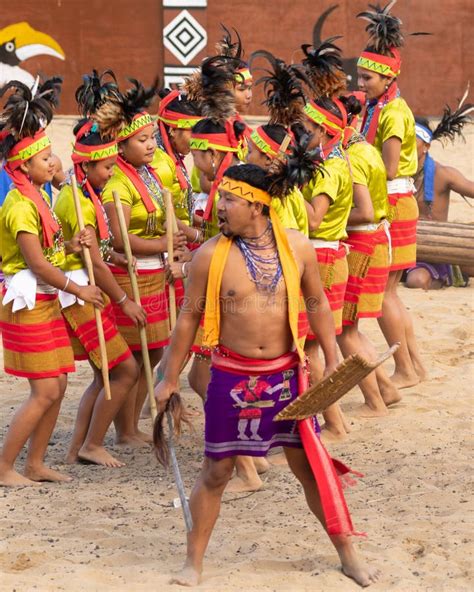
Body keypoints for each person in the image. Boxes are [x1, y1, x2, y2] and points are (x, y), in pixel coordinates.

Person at [155, 160, 379, 588]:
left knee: (309, 469)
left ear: (257, 206)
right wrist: (169, 375)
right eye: (221, 197)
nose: (219, 207)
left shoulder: (298, 247)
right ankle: (194, 562)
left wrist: (331, 357)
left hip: (285, 378)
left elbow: (318, 305)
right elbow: (188, 319)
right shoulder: (209, 256)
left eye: (230, 199)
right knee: (216, 472)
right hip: (231, 376)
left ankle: (348, 553)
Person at [0, 78, 103, 486]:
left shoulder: (39, 197)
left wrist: (74, 241)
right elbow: (38, 265)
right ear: (23, 166)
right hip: (28, 301)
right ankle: (5, 466)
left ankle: (35, 463)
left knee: (57, 386)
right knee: (44, 390)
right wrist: (79, 289)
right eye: (44, 158)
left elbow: (51, 251)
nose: (53, 162)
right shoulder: (21, 205)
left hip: (46, 300)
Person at [54, 70, 147, 466]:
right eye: (107, 167)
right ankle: (92, 444)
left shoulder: (83, 194)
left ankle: (80, 446)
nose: (111, 173)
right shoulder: (79, 202)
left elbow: (97, 252)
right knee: (124, 369)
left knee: (104, 373)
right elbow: (89, 259)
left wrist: (115, 256)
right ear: (88, 166)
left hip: (85, 288)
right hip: (83, 295)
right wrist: (124, 299)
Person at [101, 78, 187, 444]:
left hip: (158, 275)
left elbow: (168, 217)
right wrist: (162, 245)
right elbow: (120, 239)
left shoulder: (153, 173)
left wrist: (184, 236)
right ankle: (124, 430)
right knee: (132, 360)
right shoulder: (116, 183)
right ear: (122, 144)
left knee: (153, 355)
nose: (152, 145)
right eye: (143, 140)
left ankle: (133, 423)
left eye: (153, 137)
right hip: (129, 276)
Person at [356, 1, 427, 387]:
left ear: (386, 79)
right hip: (394, 203)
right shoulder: (376, 106)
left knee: (384, 294)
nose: (361, 84)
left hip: (395, 205)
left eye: (367, 78)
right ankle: (414, 366)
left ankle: (405, 369)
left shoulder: (393, 111)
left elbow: (389, 167)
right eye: (360, 76)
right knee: (391, 293)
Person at [299, 93, 353, 438]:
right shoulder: (331, 160)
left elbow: (315, 219)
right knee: (312, 348)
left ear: (323, 130)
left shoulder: (331, 168)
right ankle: (335, 422)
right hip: (325, 256)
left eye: (307, 129)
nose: (303, 134)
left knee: (311, 349)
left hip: (324, 258)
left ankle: (333, 424)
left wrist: (286, 187)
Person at [405, 95, 474, 290]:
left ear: (426, 146)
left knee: (417, 281)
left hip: (433, 248)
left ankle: (452, 271)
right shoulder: (391, 172)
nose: (406, 145)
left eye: (413, 140)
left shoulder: (443, 174)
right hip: (400, 247)